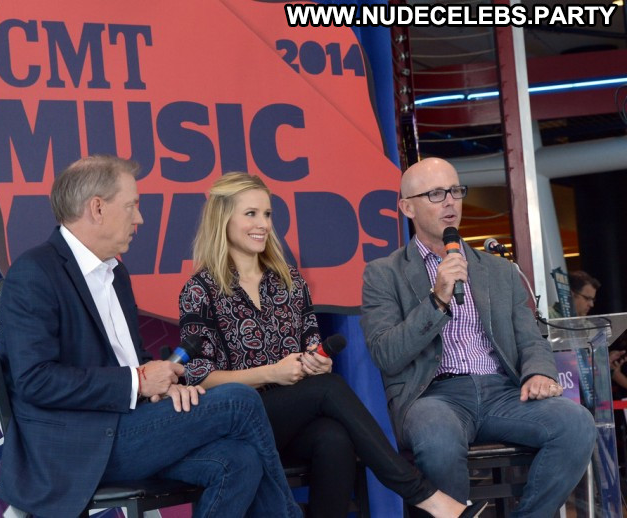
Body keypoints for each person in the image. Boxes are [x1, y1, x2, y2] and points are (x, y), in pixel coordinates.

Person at [0, 156, 301, 517]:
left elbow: (131, 360)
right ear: (97, 208)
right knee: (239, 400)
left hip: (132, 426)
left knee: (240, 460)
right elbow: (35, 380)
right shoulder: (34, 273)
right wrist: (138, 381)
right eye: (131, 206)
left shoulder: (116, 275)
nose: (139, 219)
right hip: (78, 446)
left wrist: (165, 386)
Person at [178, 172, 485, 518]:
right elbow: (198, 377)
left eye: (267, 214)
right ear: (223, 219)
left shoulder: (289, 281)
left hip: (288, 419)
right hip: (235, 422)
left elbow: (312, 350)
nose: (263, 224)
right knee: (328, 389)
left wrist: (317, 363)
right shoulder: (200, 289)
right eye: (251, 214)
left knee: (334, 438)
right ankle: (425, 496)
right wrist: (272, 373)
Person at [360, 157, 597, 517]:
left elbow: (530, 338)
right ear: (407, 208)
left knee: (576, 423)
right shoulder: (383, 274)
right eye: (436, 194)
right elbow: (386, 354)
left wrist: (538, 372)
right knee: (437, 439)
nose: (450, 202)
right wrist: (437, 300)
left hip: (503, 393)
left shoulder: (499, 271)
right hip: (433, 396)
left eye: (455, 191)